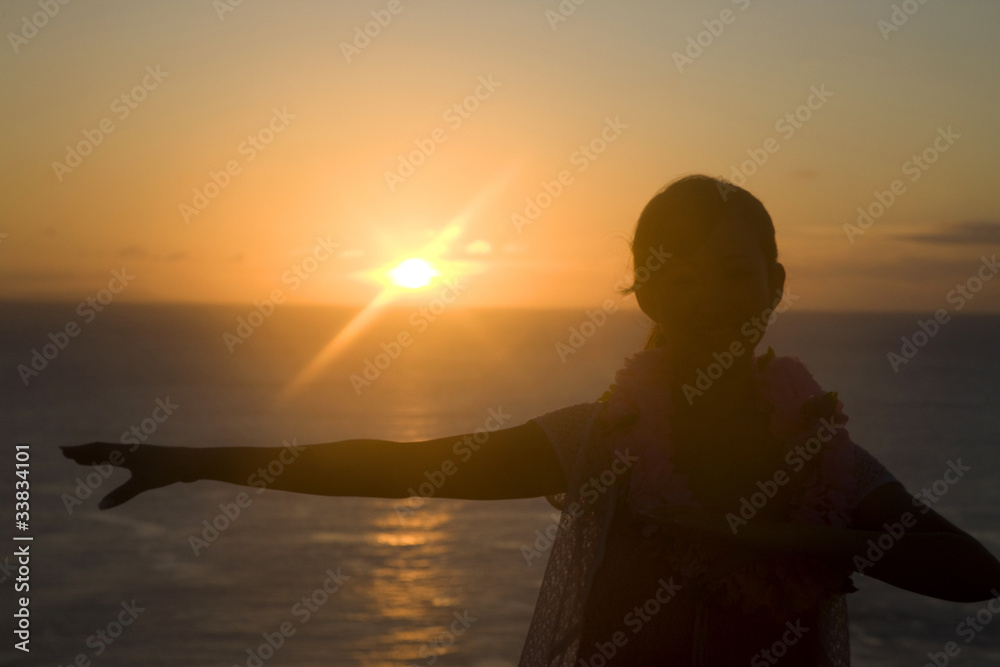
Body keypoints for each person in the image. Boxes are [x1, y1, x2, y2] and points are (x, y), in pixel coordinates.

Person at [62, 174, 1000, 666]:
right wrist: (195, 458)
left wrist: (761, 533)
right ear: (641, 292)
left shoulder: (823, 453)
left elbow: (974, 575)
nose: (706, 294)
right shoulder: (599, 439)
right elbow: (398, 466)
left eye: (732, 271)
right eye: (672, 268)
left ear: (776, 287)